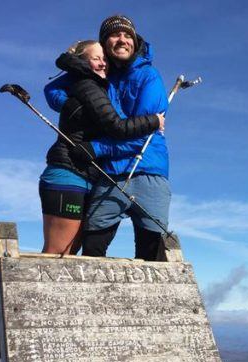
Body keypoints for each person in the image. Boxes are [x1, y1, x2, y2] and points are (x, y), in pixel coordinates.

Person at [45, 15, 171, 260]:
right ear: (104, 42)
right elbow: (52, 90)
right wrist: (77, 107)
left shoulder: (149, 77)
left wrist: (97, 148)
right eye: (115, 35)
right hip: (109, 174)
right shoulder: (101, 72)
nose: (122, 39)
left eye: (127, 35)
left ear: (135, 41)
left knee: (152, 256)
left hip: (149, 172)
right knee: (92, 249)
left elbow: (143, 135)